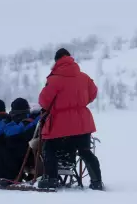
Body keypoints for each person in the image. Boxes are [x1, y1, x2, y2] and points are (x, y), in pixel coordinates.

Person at [37, 48, 103, 190]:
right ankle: (97, 181)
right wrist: (79, 104)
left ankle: (51, 179)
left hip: (60, 123)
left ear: (57, 61)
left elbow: (44, 101)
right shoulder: (84, 77)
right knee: (85, 151)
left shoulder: (54, 79)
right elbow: (93, 93)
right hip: (83, 122)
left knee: (49, 148)